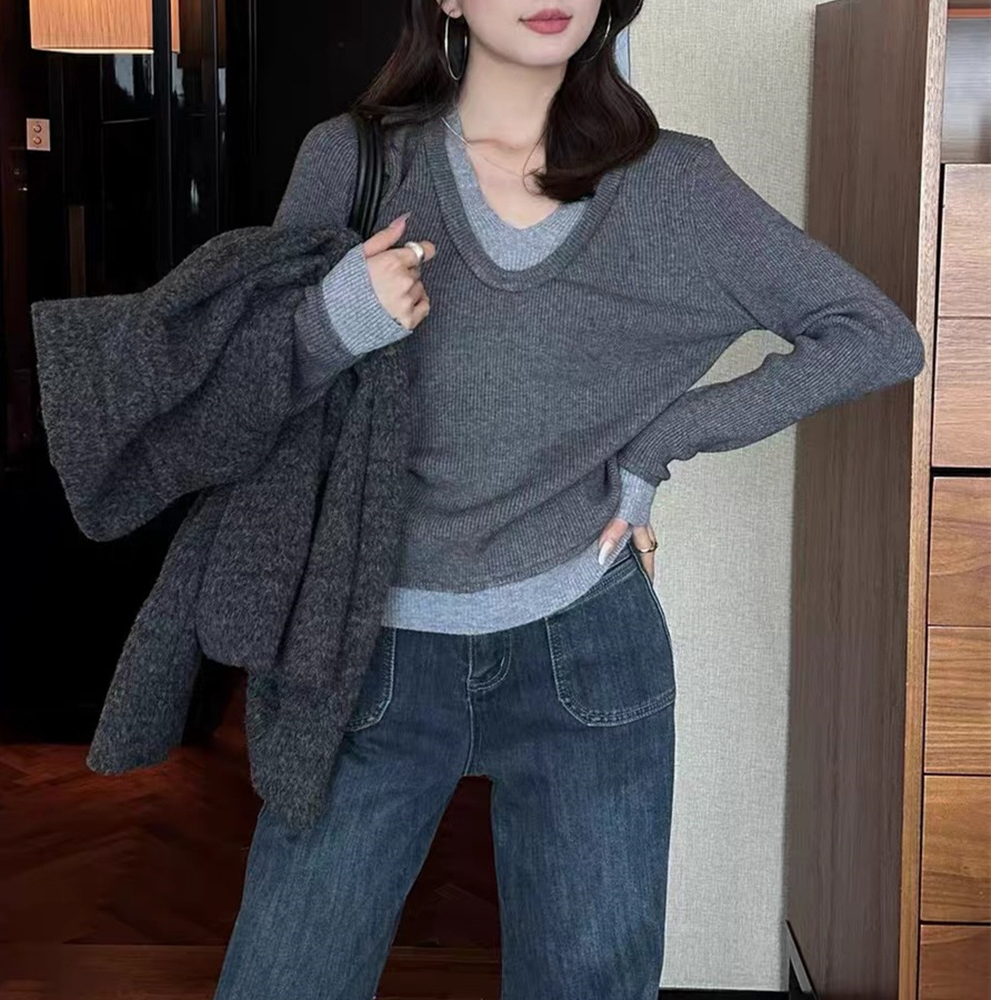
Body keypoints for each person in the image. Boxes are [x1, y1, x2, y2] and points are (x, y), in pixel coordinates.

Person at [212, 1, 926, 997]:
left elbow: (876, 336)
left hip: (586, 648)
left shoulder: (675, 182)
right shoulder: (355, 162)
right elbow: (243, 397)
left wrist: (658, 442)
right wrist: (335, 320)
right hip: (369, 651)